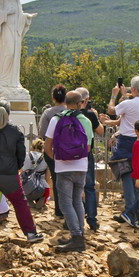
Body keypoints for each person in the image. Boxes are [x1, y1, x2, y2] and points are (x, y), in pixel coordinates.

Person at [0, 99, 45, 255]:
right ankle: (30, 232)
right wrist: (15, 167)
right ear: (9, 114)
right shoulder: (15, 131)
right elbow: (20, 155)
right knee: (19, 202)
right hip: (8, 175)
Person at [45, 91, 93, 252]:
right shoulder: (85, 121)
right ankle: (79, 233)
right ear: (80, 103)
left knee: (65, 203)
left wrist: (57, 160)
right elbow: (88, 148)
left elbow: (47, 146)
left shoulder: (56, 119)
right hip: (81, 167)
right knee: (77, 201)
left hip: (63, 167)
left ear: (65, 103)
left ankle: (77, 237)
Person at [102, 76, 139, 226]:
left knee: (127, 176)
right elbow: (129, 114)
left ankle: (129, 212)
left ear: (134, 89)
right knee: (138, 175)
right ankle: (137, 213)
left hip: (125, 142)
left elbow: (112, 110)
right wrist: (125, 96)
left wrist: (114, 95)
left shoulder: (128, 103)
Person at [0, 0, 37, 88]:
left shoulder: (17, 3)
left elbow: (19, 16)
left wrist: (26, 17)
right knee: (8, 53)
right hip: (6, 31)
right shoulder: (0, 0)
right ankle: (3, 80)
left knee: (15, 55)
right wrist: (6, 13)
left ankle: (12, 82)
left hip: (15, 32)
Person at [76, 87, 104, 231]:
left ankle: (74, 218)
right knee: (89, 187)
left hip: (70, 155)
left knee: (74, 188)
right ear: (86, 100)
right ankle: (92, 219)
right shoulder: (89, 115)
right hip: (86, 153)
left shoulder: (66, 115)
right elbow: (100, 131)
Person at [38, 84, 67, 217]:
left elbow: (42, 132)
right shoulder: (72, 111)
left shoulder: (48, 113)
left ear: (53, 98)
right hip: (71, 151)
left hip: (53, 150)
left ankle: (59, 209)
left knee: (56, 179)